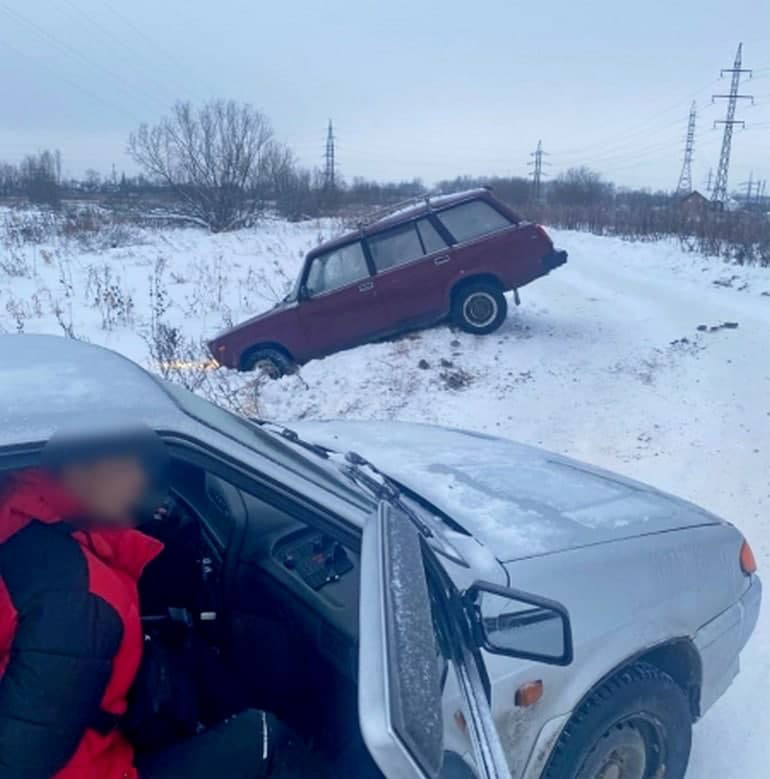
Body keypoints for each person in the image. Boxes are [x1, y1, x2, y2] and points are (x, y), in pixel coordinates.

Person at [0, 428, 322, 779]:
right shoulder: (78, 598)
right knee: (264, 741)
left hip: (83, 733)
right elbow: (23, 762)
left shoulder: (22, 509)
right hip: (90, 768)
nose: (147, 486)